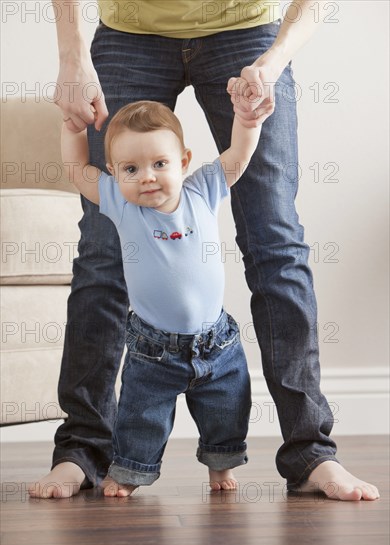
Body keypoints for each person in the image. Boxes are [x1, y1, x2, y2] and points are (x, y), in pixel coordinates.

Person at [29, 0, 379, 501]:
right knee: (102, 253)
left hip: (246, 30)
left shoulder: (204, 181)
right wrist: (70, 54)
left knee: (275, 242)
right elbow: (80, 171)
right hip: (130, 32)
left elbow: (237, 156)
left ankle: (311, 453)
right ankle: (81, 451)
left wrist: (274, 60)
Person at [59, 98, 267, 496]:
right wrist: (72, 130)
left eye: (159, 164)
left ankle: (221, 467)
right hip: (153, 348)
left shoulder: (203, 189)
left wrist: (246, 119)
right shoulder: (121, 203)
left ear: (184, 161)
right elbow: (75, 170)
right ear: (114, 173)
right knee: (141, 415)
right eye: (131, 169)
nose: (147, 178)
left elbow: (239, 153)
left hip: (216, 341)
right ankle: (129, 473)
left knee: (227, 409)